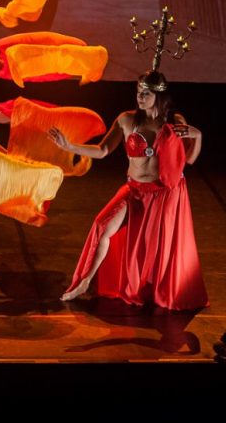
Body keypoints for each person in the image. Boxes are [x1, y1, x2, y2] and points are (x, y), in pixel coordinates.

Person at [47, 70, 208, 310]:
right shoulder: (126, 120)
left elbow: (189, 160)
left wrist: (198, 135)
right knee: (103, 227)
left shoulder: (174, 121)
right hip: (133, 190)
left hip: (162, 195)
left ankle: (152, 289)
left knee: (153, 250)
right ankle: (84, 282)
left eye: (146, 93)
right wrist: (69, 146)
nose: (140, 97)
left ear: (158, 96)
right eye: (138, 92)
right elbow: (102, 151)